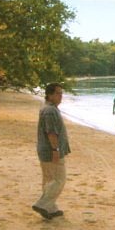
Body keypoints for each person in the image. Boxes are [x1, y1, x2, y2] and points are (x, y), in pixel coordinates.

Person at [33, 82, 71, 220]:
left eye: (61, 93)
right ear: (49, 95)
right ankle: (43, 203)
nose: (60, 96)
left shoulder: (48, 108)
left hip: (45, 150)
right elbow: (51, 132)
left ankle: (51, 208)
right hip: (50, 151)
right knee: (59, 180)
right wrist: (55, 149)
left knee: (49, 179)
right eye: (57, 93)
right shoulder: (50, 111)